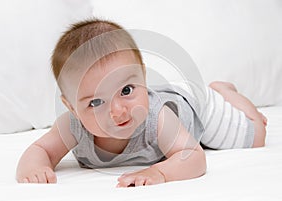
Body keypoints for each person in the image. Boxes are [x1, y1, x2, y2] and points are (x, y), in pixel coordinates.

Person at [16, 18, 267, 187]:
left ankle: (226, 92)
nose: (117, 111)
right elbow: (41, 150)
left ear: (143, 77)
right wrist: (35, 166)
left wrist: (160, 172)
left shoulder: (158, 117)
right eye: (95, 102)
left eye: (126, 90)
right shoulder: (72, 126)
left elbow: (193, 157)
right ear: (71, 107)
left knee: (255, 137)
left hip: (194, 105)